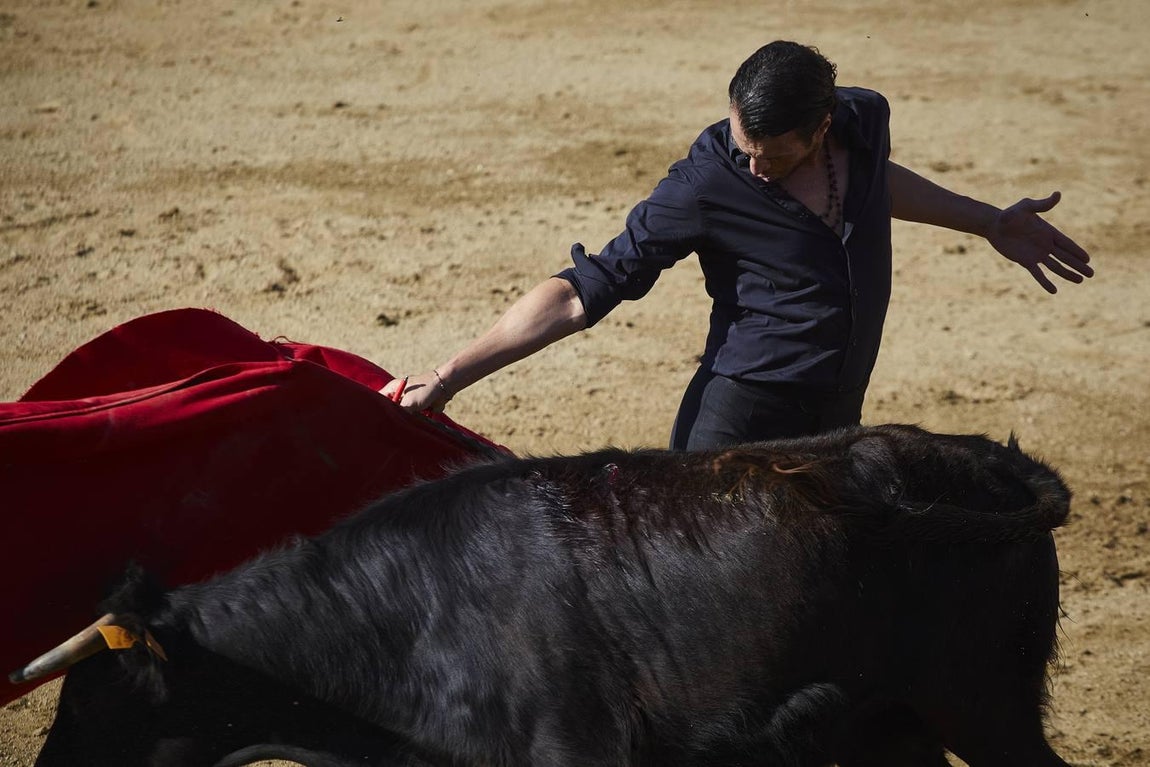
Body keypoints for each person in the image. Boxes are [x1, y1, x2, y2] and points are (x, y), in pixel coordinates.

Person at [382, 41, 1092, 450]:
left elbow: (876, 185)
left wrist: (987, 221)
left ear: (821, 128)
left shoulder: (864, 121)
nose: (753, 167)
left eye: (774, 156)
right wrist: (446, 378)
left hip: (838, 417)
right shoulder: (704, 185)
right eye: (742, 145)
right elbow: (579, 292)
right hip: (741, 427)